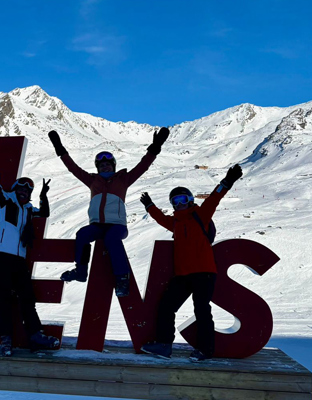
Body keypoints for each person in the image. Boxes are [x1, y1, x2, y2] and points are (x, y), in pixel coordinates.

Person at [139, 164, 243, 362]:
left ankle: (205, 350)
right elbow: (161, 219)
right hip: (183, 274)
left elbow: (214, 199)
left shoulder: (200, 216)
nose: (179, 204)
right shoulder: (175, 222)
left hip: (204, 272)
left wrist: (227, 181)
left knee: (201, 309)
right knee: (167, 306)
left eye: (183, 199)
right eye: (175, 201)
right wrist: (150, 206)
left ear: (190, 200)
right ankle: (164, 345)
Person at [48, 128, 169, 297]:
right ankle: (81, 271)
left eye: (108, 164)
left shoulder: (123, 180)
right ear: (98, 168)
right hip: (97, 225)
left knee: (111, 239)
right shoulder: (92, 181)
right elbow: (73, 168)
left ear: (113, 165)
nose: (105, 166)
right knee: (82, 235)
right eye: (101, 165)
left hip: (117, 226)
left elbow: (143, 165)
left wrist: (155, 146)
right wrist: (60, 149)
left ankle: (122, 278)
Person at [0, 145, 58, 357]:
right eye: (21, 188)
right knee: (4, 298)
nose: (24, 192)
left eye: (28, 191)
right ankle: (6, 337)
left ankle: (35, 334)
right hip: (2, 257)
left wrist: (43, 195)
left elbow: (43, 212)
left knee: (27, 297)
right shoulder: (5, 200)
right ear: (15, 188)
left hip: (19, 260)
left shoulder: (29, 209)